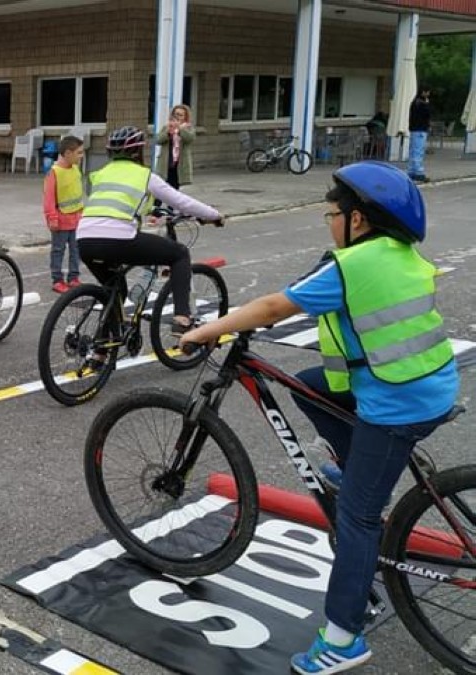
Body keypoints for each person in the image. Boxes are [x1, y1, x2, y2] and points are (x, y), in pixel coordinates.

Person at [179, 161, 459, 675]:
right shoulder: (397, 254)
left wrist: (206, 330)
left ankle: (343, 640)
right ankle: (359, 470)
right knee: (307, 384)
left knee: (356, 519)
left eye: (332, 213)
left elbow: (270, 307)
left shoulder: (352, 266)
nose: (328, 221)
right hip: (427, 384)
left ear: (359, 220)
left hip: (397, 405)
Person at [77, 126, 223, 336]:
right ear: (138, 152)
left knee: (115, 289)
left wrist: (150, 208)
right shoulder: (145, 175)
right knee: (179, 254)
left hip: (85, 240)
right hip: (118, 239)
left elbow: (117, 201)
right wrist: (214, 215)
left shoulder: (99, 175)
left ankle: (101, 352)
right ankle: (182, 319)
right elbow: (181, 202)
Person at [42, 135, 85, 293]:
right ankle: (57, 279)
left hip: (76, 218)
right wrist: (51, 217)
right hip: (61, 220)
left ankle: (73, 277)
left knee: (76, 249)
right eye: (79, 153)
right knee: (58, 250)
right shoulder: (54, 172)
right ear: (68, 153)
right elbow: (49, 198)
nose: (82, 156)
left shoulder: (75, 168)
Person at [154, 104, 195, 193]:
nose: (178, 117)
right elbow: (158, 140)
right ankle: (156, 205)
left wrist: (179, 129)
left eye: (180, 115)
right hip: (166, 163)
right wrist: (168, 133)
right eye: (176, 114)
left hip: (178, 164)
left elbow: (190, 139)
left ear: (185, 117)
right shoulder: (166, 127)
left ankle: (170, 207)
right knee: (159, 188)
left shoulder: (188, 128)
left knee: (173, 190)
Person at [407, 89, 431, 182]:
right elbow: (427, 114)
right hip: (421, 129)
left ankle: (411, 170)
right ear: (423, 92)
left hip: (414, 129)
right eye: (427, 91)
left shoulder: (414, 102)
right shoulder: (422, 104)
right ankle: (418, 172)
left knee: (413, 150)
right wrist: (427, 104)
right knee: (419, 151)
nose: (428, 94)